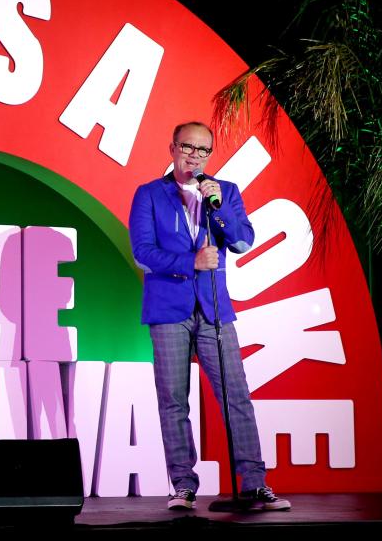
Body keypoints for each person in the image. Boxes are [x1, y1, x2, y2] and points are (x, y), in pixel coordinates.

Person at [128, 121, 291, 511]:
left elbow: (242, 241)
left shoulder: (225, 192)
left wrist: (218, 210)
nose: (195, 156)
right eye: (188, 147)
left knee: (236, 395)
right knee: (173, 400)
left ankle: (253, 483)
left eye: (203, 150)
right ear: (172, 148)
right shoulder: (150, 194)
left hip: (215, 309)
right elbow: (142, 253)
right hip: (169, 309)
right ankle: (183, 486)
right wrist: (192, 261)